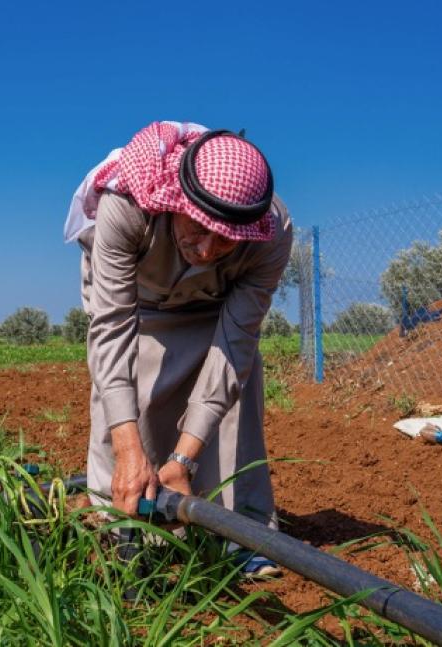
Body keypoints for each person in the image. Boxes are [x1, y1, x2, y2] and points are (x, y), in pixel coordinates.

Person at [64, 121, 292, 576]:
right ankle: (119, 526)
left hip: (210, 305)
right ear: (175, 202)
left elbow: (234, 343)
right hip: (137, 303)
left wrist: (184, 458)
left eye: (225, 239)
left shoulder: (272, 235)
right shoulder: (127, 206)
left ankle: (241, 535)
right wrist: (129, 450)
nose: (206, 250)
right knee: (132, 409)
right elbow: (112, 329)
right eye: (198, 227)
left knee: (237, 393)